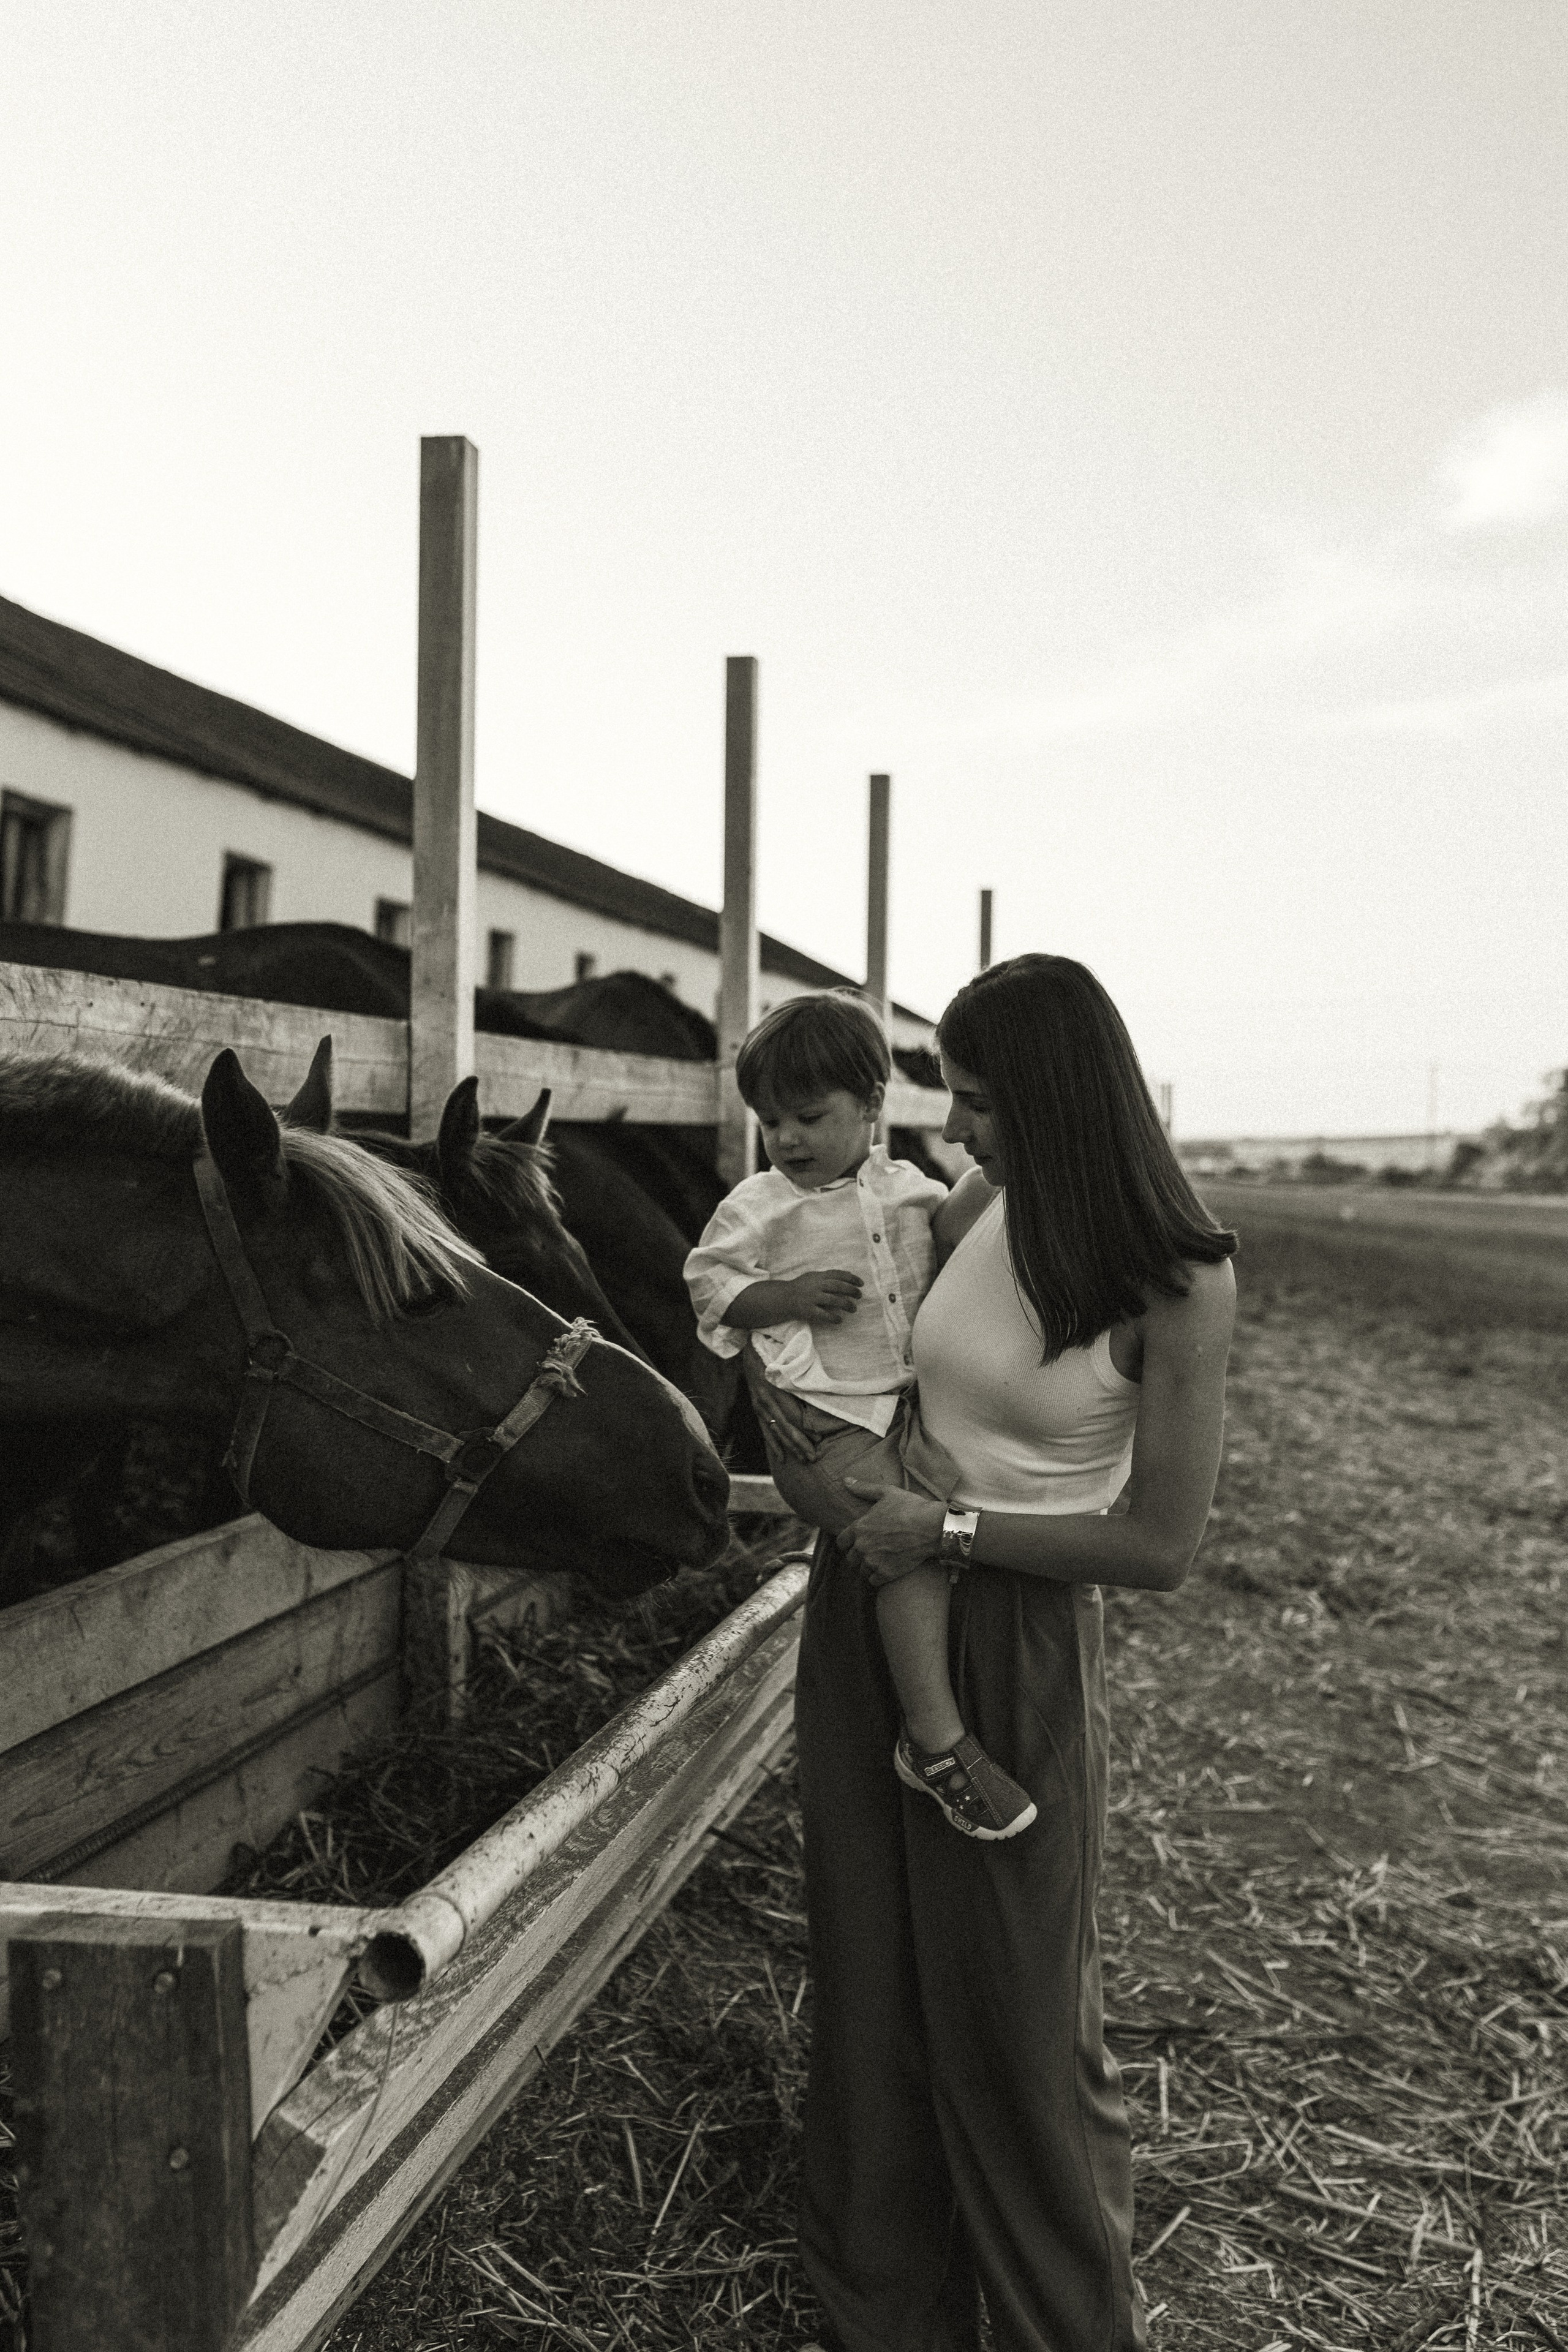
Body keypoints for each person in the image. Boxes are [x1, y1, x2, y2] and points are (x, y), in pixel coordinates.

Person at [745, 953, 1237, 2352]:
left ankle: (1057, 2328)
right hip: (869, 1606)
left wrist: (944, 1532)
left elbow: (1158, 1547)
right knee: (868, 1976)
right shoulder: (974, 1206)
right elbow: (848, 1356)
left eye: (975, 1101)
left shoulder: (1179, 1285)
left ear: (1058, 1100)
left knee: (1021, 2027)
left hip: (1010, 1630)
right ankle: (884, 2315)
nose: (951, 1131)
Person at [684, 990, 1037, 1839]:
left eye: (809, 1116)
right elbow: (708, 1285)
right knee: (909, 1546)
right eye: (772, 1123)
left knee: (957, 1519)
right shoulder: (760, 1207)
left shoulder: (908, 1186)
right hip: (827, 1420)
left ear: (874, 1105)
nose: (788, 1139)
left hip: (901, 1414)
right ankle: (937, 1740)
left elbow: (962, 1222)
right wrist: (786, 1295)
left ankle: (919, 1694)